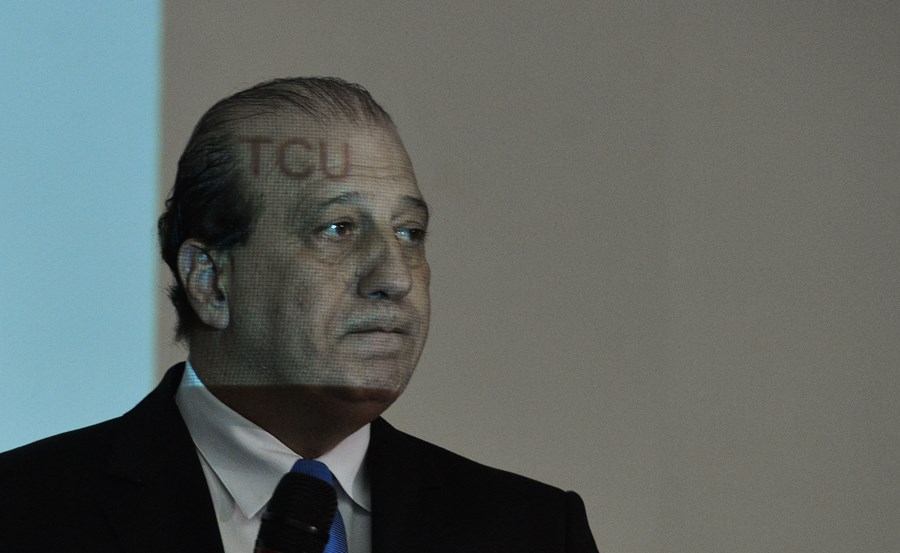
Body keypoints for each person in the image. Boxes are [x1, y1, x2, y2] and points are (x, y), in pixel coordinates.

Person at [0, 77, 598, 552]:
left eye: (409, 232)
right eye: (338, 229)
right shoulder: (24, 514)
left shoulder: (535, 532)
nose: (394, 277)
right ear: (211, 282)